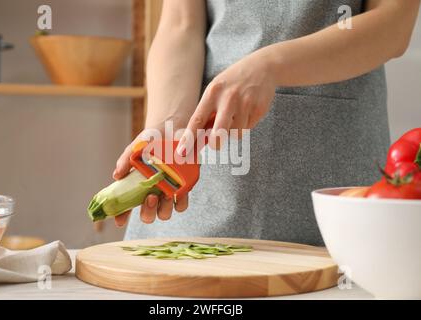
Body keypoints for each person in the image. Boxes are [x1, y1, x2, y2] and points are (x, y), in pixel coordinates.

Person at [112, 0, 420, 245]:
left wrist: (270, 66)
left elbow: (393, 24)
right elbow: (180, 25)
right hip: (200, 201)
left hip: (332, 200)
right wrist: (168, 129)